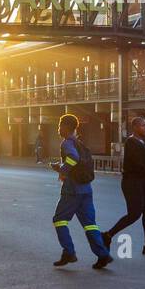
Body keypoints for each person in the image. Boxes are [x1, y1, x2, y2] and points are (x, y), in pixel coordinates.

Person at [49, 114, 111, 270]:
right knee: (90, 225)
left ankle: (69, 252)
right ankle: (103, 255)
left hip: (72, 190)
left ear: (66, 127)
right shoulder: (80, 144)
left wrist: (62, 169)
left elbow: (73, 158)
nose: (58, 129)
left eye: (59, 125)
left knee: (59, 220)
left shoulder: (67, 143)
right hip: (86, 189)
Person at [104, 117, 145, 256]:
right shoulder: (131, 142)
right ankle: (107, 235)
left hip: (143, 182)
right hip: (132, 182)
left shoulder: (141, 142)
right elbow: (139, 166)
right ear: (136, 127)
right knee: (134, 214)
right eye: (143, 126)